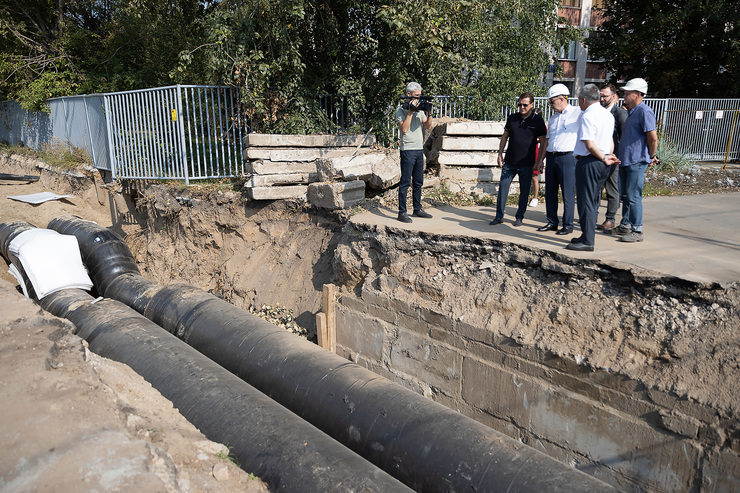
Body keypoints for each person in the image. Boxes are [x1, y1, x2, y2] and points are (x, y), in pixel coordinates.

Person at [567, 84, 620, 252]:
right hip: (603, 162)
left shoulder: (587, 115)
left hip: (590, 161)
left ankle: (588, 240)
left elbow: (589, 143)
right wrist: (608, 155)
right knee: (593, 199)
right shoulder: (607, 115)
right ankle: (585, 234)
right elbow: (610, 139)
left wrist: (603, 156)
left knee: (586, 201)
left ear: (583, 100)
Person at [490, 92, 546, 226]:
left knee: (524, 192)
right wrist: (499, 154)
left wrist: (539, 161)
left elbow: (543, 142)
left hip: (527, 163)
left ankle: (519, 217)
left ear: (531, 105)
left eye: (525, 105)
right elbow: (505, 136)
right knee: (503, 189)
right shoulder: (512, 118)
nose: (522, 107)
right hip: (509, 162)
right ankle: (499, 216)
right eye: (519, 104)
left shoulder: (538, 121)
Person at [613, 78, 658, 243]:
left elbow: (652, 138)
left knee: (633, 195)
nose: (624, 95)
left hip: (636, 161)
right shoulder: (632, 111)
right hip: (627, 160)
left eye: (627, 92)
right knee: (626, 195)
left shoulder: (644, 111)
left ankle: (637, 230)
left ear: (638, 94)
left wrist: (651, 156)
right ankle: (625, 225)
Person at [536, 84, 581, 235]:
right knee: (550, 191)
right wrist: (540, 160)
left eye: (552, 101)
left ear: (562, 99)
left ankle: (568, 225)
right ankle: (552, 221)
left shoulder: (577, 114)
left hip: (568, 158)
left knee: (567, 193)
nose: (551, 105)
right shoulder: (554, 119)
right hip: (551, 157)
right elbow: (547, 141)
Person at [395, 81, 433, 223]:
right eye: (416, 96)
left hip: (418, 149)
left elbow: (428, 126)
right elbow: (404, 129)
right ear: (408, 95)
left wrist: (429, 113)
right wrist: (410, 112)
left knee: (418, 181)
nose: (418, 98)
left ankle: (417, 209)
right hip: (407, 150)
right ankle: (402, 212)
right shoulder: (401, 110)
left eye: (420, 96)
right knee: (405, 182)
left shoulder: (420, 109)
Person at [596, 83, 628, 232]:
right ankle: (592, 215)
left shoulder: (619, 114)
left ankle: (610, 219)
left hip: (613, 158)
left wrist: (618, 156)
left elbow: (624, 137)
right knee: (595, 188)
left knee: (611, 188)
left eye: (605, 96)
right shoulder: (597, 111)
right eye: (600, 95)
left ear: (614, 97)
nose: (601, 98)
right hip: (598, 155)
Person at [529, 108, 544, 207]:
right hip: (525, 152)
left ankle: (535, 197)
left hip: (535, 152)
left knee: (534, 176)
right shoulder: (528, 124)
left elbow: (543, 139)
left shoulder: (541, 125)